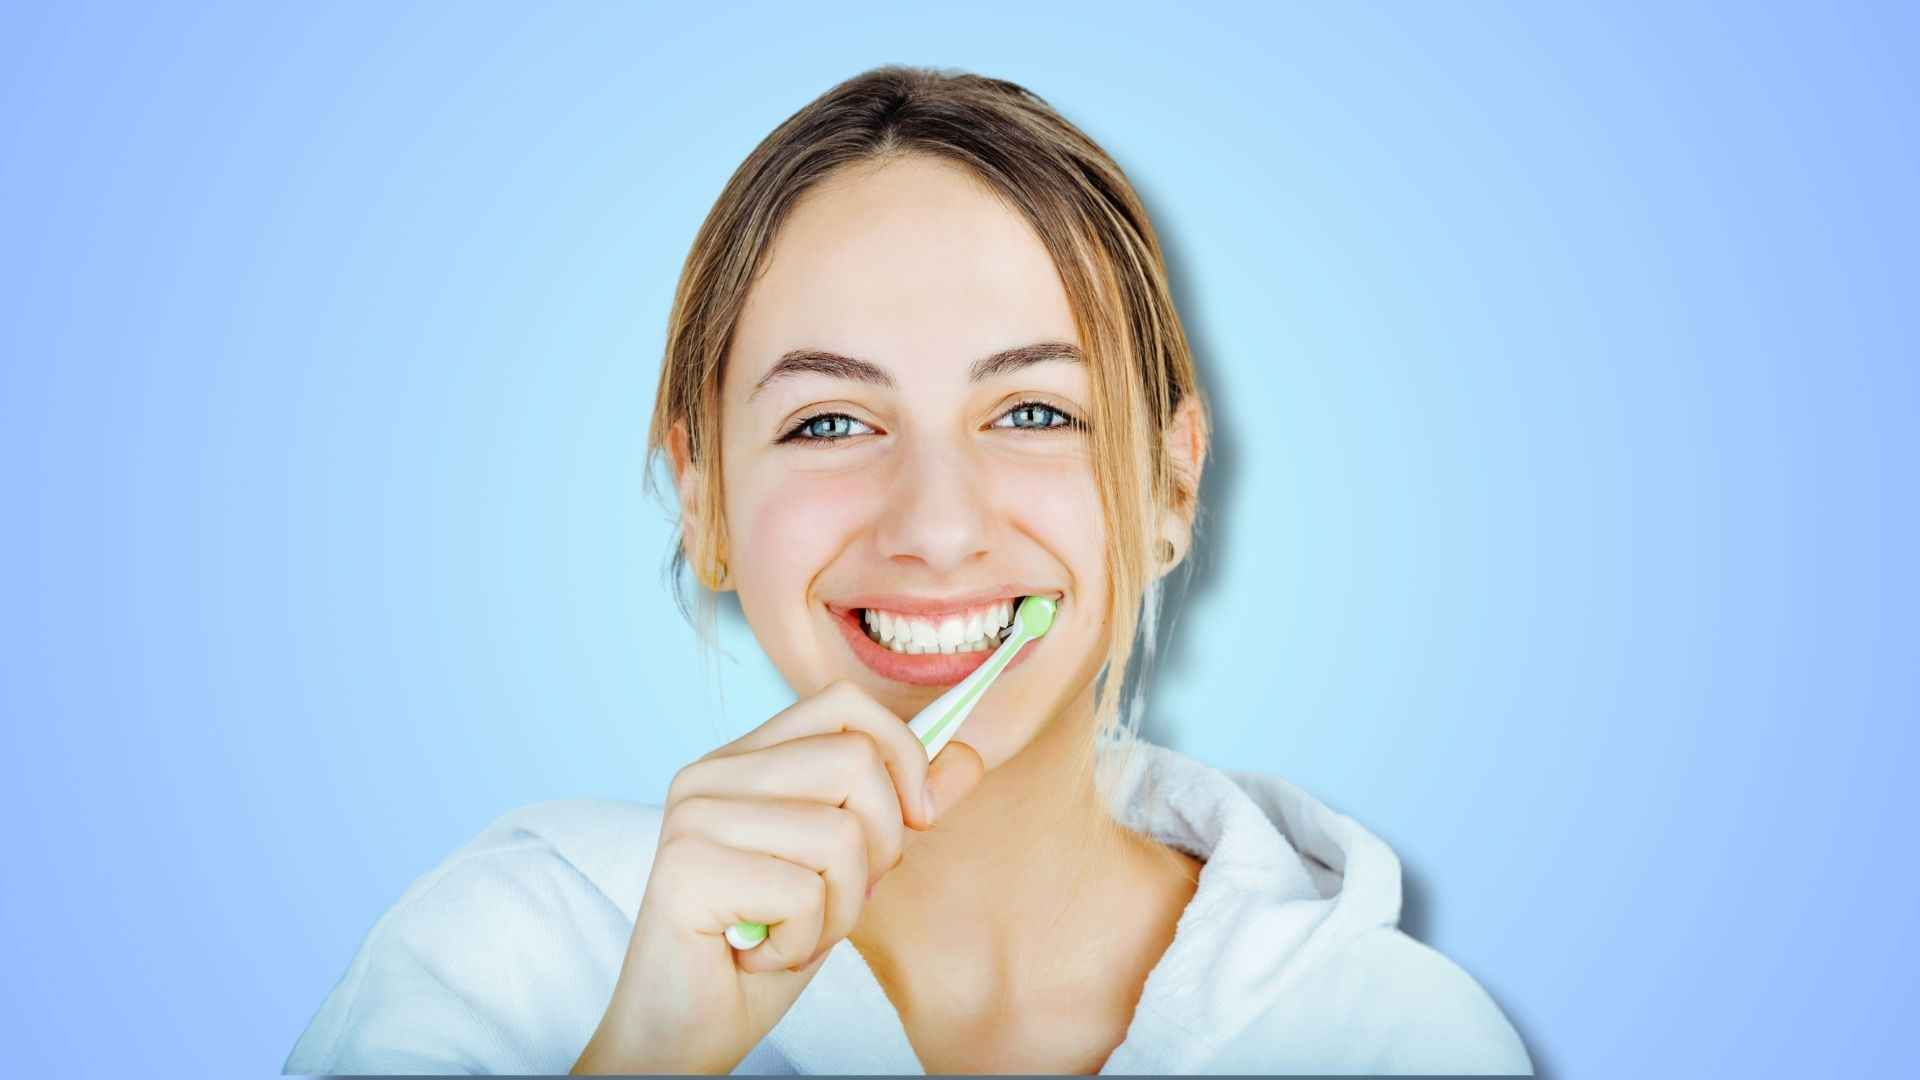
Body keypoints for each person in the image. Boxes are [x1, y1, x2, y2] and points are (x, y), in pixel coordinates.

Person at [284, 64, 1534, 1076]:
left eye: (1035, 412)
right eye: (829, 423)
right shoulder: (502, 968)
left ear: (1171, 484)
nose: (936, 529)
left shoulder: (1393, 1038)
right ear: (703, 494)